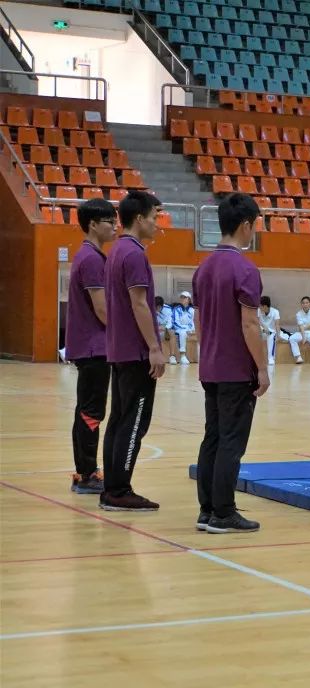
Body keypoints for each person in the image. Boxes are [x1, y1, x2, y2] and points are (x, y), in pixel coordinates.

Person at [192, 193, 270, 533]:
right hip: (236, 370)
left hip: (210, 366)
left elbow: (198, 322)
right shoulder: (245, 269)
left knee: (212, 437)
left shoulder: (203, 267)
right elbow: (250, 324)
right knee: (231, 442)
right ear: (246, 225)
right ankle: (224, 512)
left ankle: (207, 509)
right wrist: (263, 368)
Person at [100, 190, 166, 511]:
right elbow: (139, 303)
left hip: (119, 349)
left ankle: (112, 487)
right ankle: (120, 490)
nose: (157, 224)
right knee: (134, 422)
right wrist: (154, 347)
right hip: (136, 351)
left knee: (118, 420)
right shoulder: (135, 254)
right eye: (154, 217)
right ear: (139, 218)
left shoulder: (116, 251)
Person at [65, 198, 116, 494]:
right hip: (94, 347)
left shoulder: (89, 256)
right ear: (93, 224)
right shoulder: (92, 259)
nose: (114, 226)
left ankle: (85, 471)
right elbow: (102, 310)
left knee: (87, 409)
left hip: (92, 347)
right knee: (91, 412)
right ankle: (87, 475)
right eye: (110, 221)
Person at [289, 296, 310, 364]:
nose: (305, 304)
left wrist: (304, 327)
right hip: (302, 333)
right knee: (292, 338)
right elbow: (300, 326)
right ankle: (298, 357)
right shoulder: (298, 314)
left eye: (307, 303)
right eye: (303, 303)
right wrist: (303, 337)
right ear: (301, 304)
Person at [170, 290, 196, 364]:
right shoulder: (176, 309)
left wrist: (191, 330)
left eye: (184, 297)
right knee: (182, 332)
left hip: (189, 328)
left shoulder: (192, 310)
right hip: (178, 328)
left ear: (189, 299)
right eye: (181, 297)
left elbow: (193, 321)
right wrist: (185, 328)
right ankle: (182, 356)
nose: (182, 299)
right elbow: (176, 322)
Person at [258, 296, 281, 366]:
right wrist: (264, 327)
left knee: (271, 336)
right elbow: (257, 321)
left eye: (260, 306)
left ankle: (270, 358)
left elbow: (277, 325)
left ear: (265, 306)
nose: (259, 307)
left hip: (271, 332)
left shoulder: (275, 312)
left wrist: (278, 335)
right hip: (261, 329)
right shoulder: (258, 311)